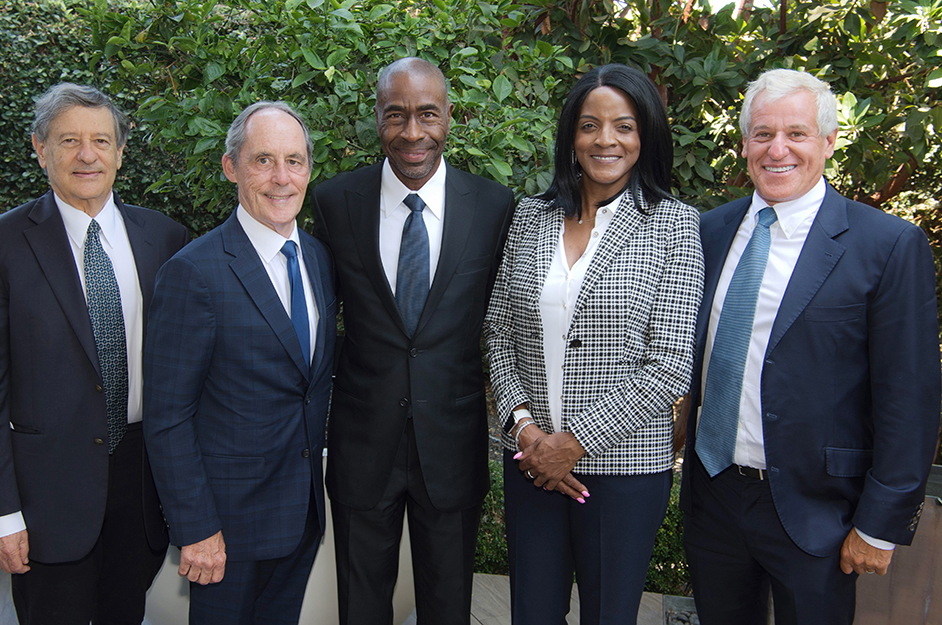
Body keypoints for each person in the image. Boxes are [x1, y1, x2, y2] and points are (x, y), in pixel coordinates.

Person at [681, 68, 941, 625]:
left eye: (796, 134)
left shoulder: (887, 245)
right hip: (715, 499)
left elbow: (909, 398)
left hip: (819, 512)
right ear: (744, 144)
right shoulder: (708, 231)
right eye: (762, 133)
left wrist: (879, 525)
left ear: (827, 141)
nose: (778, 149)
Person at [0, 83, 188, 624]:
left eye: (102, 140)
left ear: (121, 153)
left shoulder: (165, 239)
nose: (87, 155)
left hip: (142, 491)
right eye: (69, 140)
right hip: (45, 500)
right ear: (40, 148)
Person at [483, 63, 704, 624]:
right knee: (532, 613)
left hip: (626, 468)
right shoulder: (530, 216)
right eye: (590, 125)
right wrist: (528, 430)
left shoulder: (675, 225)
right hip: (531, 462)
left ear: (645, 135)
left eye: (623, 126)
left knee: (609, 615)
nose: (605, 140)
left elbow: (671, 365)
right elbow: (499, 331)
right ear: (571, 136)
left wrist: (573, 442)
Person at [311, 57, 515, 625]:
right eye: (395, 115)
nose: (412, 132)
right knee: (361, 609)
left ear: (450, 115)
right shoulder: (333, 202)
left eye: (427, 114)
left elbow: (504, 323)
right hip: (361, 444)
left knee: (448, 607)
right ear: (376, 118)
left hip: (451, 447)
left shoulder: (494, 208)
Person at [142, 101, 335, 624]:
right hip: (225, 532)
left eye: (294, 161)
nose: (281, 178)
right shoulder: (193, 273)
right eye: (263, 160)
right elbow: (167, 417)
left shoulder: (317, 259)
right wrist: (196, 527)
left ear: (309, 170)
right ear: (231, 167)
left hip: (299, 518)